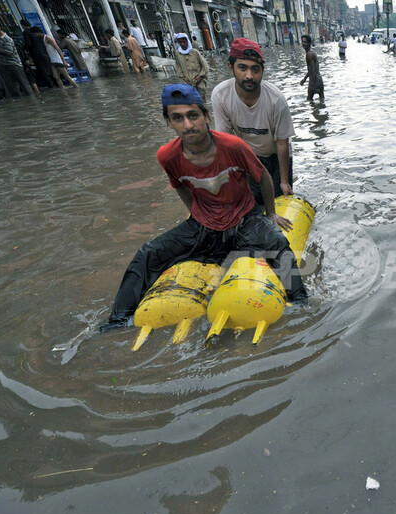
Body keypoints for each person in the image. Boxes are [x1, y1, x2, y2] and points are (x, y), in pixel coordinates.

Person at [100, 84, 307, 332]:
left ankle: (301, 302)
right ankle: (117, 321)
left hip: (244, 221)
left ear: (206, 116)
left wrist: (271, 213)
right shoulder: (167, 156)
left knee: (278, 244)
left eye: (193, 115)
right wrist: (196, 213)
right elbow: (179, 185)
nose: (188, 125)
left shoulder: (233, 146)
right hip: (204, 227)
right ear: (169, 122)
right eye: (178, 118)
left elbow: (262, 177)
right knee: (147, 254)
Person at [211, 38, 296, 205]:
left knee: (281, 201)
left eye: (255, 69)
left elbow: (282, 142)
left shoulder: (276, 99)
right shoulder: (221, 95)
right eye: (242, 68)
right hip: (249, 157)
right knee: (255, 203)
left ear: (262, 71)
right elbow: (225, 142)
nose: (249, 76)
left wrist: (284, 181)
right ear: (231, 67)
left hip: (278, 157)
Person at [0, 22, 36, 97]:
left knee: (24, 84)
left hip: (14, 64)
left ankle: (33, 101)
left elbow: (9, 52)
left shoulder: (6, 38)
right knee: (12, 88)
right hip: (3, 65)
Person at [20, 19, 55, 88]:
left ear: (23, 26)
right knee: (50, 71)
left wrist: (23, 49)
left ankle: (51, 87)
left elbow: (28, 44)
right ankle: (56, 87)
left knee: (44, 73)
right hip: (45, 53)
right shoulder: (35, 31)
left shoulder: (26, 32)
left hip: (37, 55)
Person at [174, 32, 209, 99]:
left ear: (187, 41)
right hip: (187, 81)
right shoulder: (177, 53)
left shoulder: (195, 52)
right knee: (191, 99)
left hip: (199, 80)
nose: (182, 44)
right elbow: (178, 67)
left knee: (202, 97)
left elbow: (205, 66)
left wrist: (200, 76)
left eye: (184, 42)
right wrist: (183, 78)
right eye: (180, 42)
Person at [300, 34, 324, 101]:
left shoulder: (309, 54)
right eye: (302, 42)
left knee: (309, 100)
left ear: (309, 43)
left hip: (314, 80)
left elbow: (313, 71)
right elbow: (311, 70)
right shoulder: (311, 52)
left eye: (305, 42)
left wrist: (313, 85)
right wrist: (304, 79)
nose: (303, 44)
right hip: (319, 79)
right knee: (322, 100)